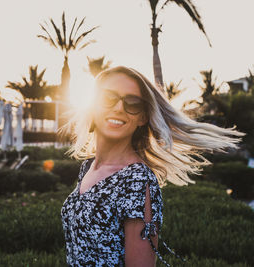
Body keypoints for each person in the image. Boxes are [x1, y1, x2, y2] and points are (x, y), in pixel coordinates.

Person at [60, 66, 243, 266]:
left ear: (143, 117)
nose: (119, 108)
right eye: (108, 98)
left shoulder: (137, 180)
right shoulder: (88, 167)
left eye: (133, 103)